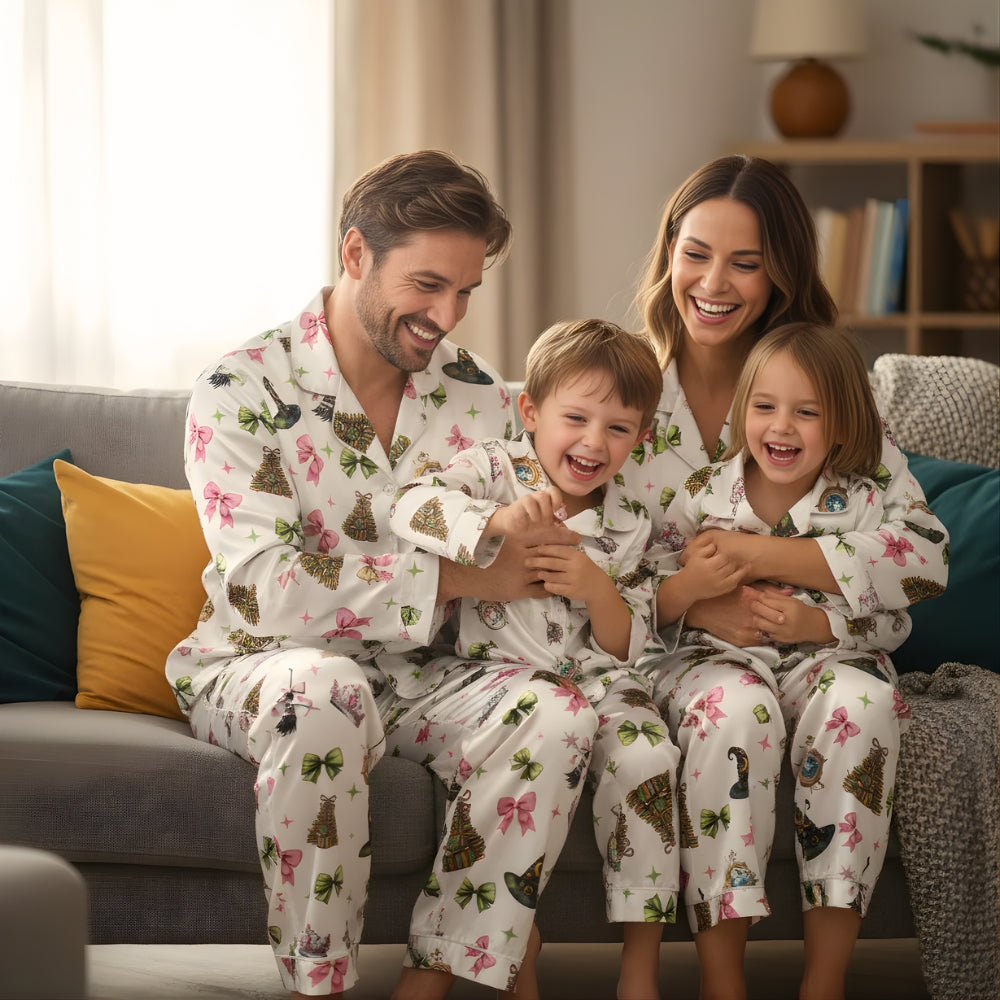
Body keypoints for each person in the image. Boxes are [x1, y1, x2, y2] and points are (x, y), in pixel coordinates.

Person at [165, 149, 600, 1000]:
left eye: (467, 290)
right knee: (323, 693)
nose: (448, 314)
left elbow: (535, 528)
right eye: (428, 284)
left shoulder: (477, 394)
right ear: (355, 253)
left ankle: (437, 975)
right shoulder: (240, 387)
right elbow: (265, 586)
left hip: (423, 677)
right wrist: (462, 579)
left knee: (554, 713)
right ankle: (319, 986)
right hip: (259, 662)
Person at [623, 155, 949, 1000]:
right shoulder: (621, 396)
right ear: (668, 255)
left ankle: (823, 985)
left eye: (747, 260)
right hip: (693, 666)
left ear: (783, 273)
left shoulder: (834, 397)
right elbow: (602, 581)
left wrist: (766, 569)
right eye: (696, 252)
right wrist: (704, 604)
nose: (714, 282)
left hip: (824, 661)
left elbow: (914, 551)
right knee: (736, 708)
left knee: (864, 703)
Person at [391, 318, 682, 1000]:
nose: (592, 441)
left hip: (598, 681)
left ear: (640, 436)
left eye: (618, 427)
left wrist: (597, 587)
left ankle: (641, 968)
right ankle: (509, 945)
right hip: (489, 678)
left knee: (648, 756)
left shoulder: (632, 519)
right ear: (532, 412)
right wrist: (496, 522)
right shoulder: (494, 470)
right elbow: (411, 506)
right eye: (575, 418)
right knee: (548, 724)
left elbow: (629, 641)